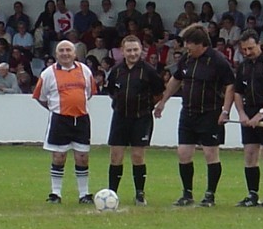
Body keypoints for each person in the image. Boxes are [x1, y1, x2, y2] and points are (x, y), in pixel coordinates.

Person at [154, 23, 235, 207]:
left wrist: (225, 110)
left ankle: (210, 195)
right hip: (188, 112)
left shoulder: (218, 61)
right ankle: (187, 193)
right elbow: (176, 80)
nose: (186, 48)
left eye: (189, 44)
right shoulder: (186, 59)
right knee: (183, 153)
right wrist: (163, 101)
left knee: (210, 154)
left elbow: (230, 85)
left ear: (201, 44)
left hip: (210, 113)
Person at [32, 40, 97, 205]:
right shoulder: (48, 73)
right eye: (61, 50)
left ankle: (84, 194)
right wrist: (56, 108)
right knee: (58, 156)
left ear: (75, 54)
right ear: (56, 54)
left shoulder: (85, 70)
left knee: (82, 157)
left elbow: (89, 92)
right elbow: (40, 97)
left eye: (69, 50)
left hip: (81, 119)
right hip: (60, 119)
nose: (65, 53)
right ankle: (55, 193)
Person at [220, 31, 263, 207]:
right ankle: (252, 194)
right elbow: (238, 92)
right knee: (250, 154)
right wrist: (242, 114)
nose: (247, 52)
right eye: (244, 49)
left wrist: (262, 113)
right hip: (248, 113)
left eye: (250, 48)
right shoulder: (243, 66)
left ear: (259, 45)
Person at [106, 35, 165, 206]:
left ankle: (139, 194)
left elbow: (159, 92)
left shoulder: (149, 71)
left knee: (138, 156)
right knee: (115, 156)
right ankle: (112, 193)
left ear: (141, 51)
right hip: (120, 118)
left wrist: (147, 106)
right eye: (129, 50)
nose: (132, 53)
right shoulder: (116, 71)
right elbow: (111, 90)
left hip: (142, 118)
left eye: (135, 50)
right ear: (123, 51)